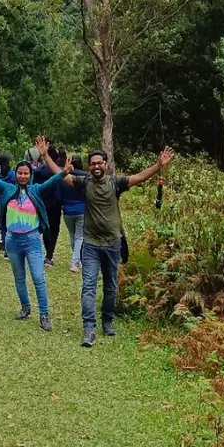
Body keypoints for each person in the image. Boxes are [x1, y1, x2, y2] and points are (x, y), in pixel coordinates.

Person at [34, 135, 173, 347]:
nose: (96, 166)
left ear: (106, 164)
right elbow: (61, 176)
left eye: (100, 162)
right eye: (93, 163)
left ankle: (107, 319)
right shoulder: (84, 183)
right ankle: (88, 328)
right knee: (88, 286)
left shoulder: (116, 183)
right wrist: (44, 155)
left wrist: (158, 165)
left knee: (111, 287)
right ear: (89, 167)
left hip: (112, 244)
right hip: (90, 244)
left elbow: (139, 177)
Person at [0, 151, 68, 331]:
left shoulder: (35, 190)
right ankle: (25, 307)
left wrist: (64, 172)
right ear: (16, 174)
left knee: (38, 278)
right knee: (19, 277)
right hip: (12, 241)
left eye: (26, 173)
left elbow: (51, 181)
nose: (22, 176)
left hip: (32, 241)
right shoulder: (8, 189)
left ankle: (44, 314)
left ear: (30, 175)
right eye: (20, 173)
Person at [61, 153, 86, 272]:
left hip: (67, 210)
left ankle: (77, 260)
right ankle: (75, 261)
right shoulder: (86, 176)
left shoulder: (65, 177)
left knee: (73, 235)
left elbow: (59, 195)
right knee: (80, 237)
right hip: (81, 209)